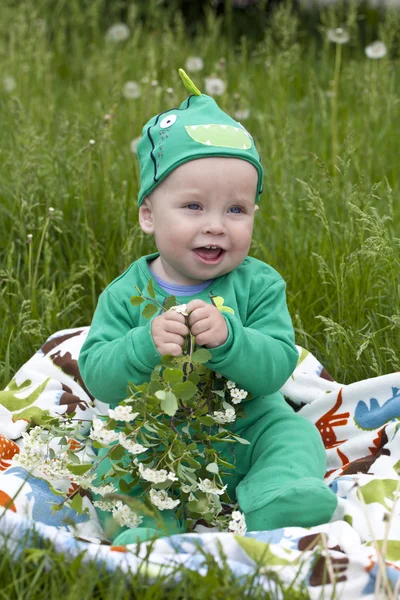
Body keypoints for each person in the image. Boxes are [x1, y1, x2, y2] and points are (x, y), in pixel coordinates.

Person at [78, 70, 339, 545]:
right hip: (155, 437)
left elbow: (276, 368)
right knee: (113, 461)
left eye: (236, 210)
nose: (217, 225)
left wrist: (231, 340)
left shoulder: (259, 284)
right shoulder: (124, 294)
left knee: (295, 435)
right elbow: (98, 375)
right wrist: (142, 346)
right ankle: (147, 526)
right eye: (194, 207)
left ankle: (277, 496)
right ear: (149, 215)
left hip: (245, 428)